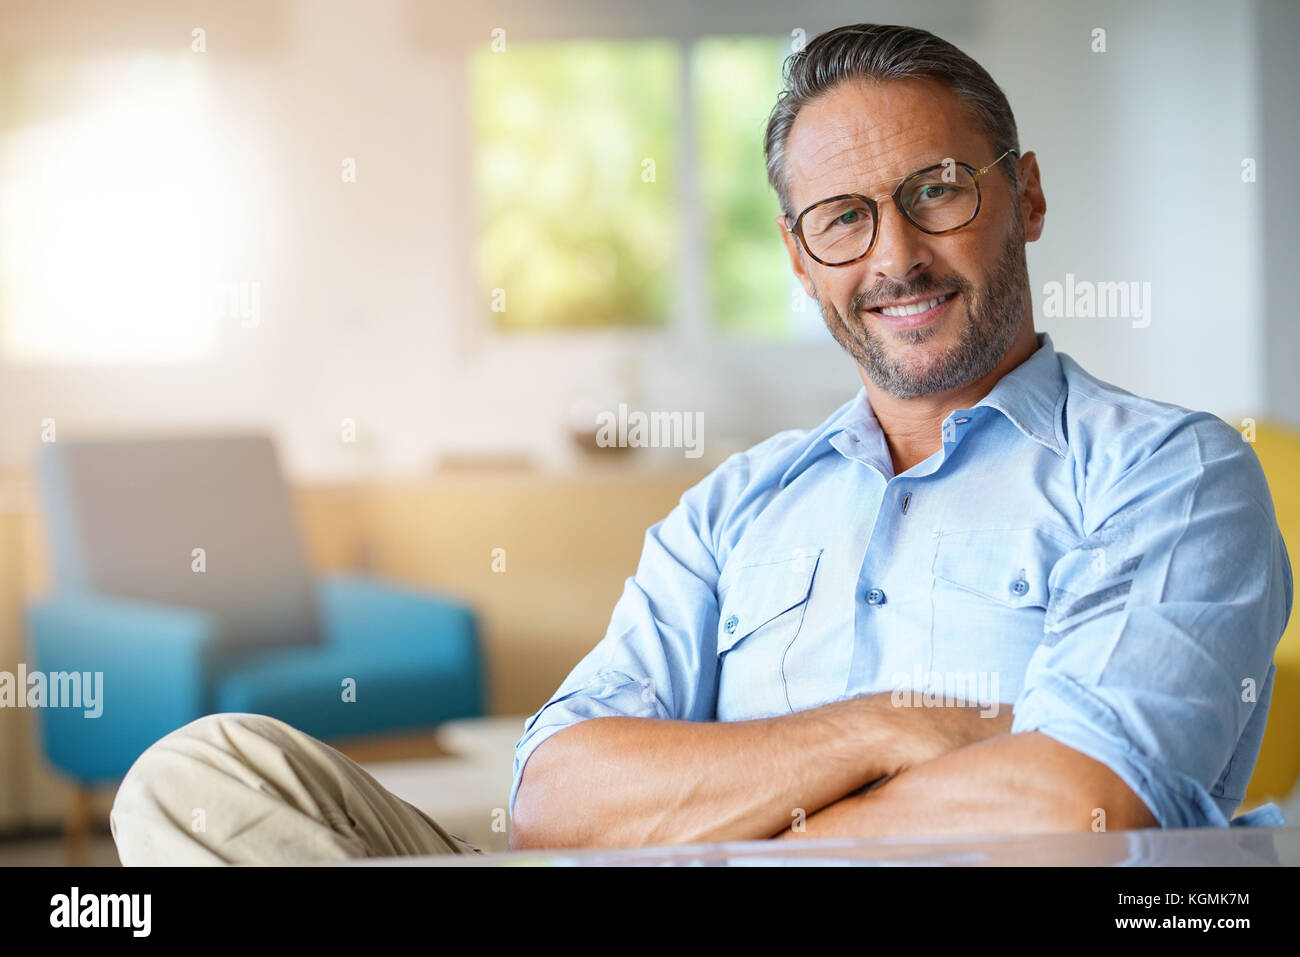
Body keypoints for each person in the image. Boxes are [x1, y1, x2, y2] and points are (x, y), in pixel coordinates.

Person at [110, 23, 1291, 865]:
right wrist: (882, 727)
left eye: (938, 192)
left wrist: (721, 823)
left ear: (1024, 197)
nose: (894, 258)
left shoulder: (1168, 474)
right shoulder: (739, 503)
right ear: (797, 256)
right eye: (842, 219)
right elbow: (556, 800)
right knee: (202, 775)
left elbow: (1070, 812)